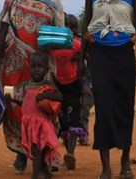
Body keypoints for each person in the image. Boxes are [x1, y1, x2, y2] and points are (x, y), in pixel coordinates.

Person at [0, 0, 65, 175]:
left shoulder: (54, 2)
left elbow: (59, 37)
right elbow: (2, 30)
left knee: (44, 110)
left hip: (42, 65)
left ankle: (48, 155)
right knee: (16, 109)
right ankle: (21, 151)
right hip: (13, 65)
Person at [82, 0, 136, 179]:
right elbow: (86, 22)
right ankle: (106, 167)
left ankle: (124, 162)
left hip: (124, 54)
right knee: (103, 107)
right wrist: (82, 57)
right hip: (99, 55)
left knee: (124, 107)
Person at [6, 50, 62, 179]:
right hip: (29, 124)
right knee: (38, 150)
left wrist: (45, 95)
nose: (36, 70)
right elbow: (27, 103)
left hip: (41, 124)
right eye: (33, 67)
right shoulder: (28, 85)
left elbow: (59, 96)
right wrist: (13, 100)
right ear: (29, 67)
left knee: (37, 150)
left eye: (40, 67)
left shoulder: (46, 85)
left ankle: (35, 175)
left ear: (47, 69)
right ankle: (45, 172)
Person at [48, 13, 87, 171]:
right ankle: (58, 154)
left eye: (71, 28)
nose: (69, 31)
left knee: (74, 119)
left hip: (73, 86)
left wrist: (80, 60)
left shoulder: (76, 45)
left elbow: (87, 58)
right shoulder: (51, 46)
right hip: (57, 86)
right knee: (61, 121)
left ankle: (70, 153)